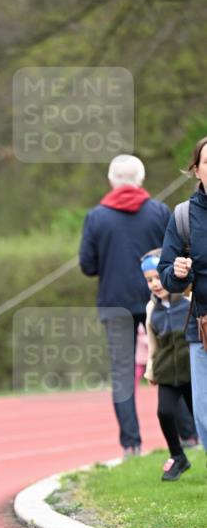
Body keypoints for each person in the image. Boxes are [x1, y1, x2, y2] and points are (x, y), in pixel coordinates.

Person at [79, 154, 171, 456]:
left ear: (111, 181)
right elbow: (172, 257)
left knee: (122, 374)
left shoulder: (96, 217)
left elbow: (88, 266)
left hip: (114, 303)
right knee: (172, 364)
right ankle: (189, 437)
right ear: (141, 180)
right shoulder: (159, 212)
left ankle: (131, 445)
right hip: (159, 300)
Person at [158, 136, 207, 457]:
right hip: (203, 329)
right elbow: (166, 276)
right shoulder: (183, 217)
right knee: (204, 416)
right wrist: (178, 272)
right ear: (197, 170)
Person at [140, 251, 195, 480]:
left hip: (193, 374)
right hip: (167, 374)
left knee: (200, 417)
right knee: (164, 412)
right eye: (149, 280)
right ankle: (178, 456)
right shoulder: (152, 309)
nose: (154, 284)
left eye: (158, 277)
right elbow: (152, 345)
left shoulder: (190, 302)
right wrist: (151, 371)